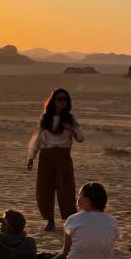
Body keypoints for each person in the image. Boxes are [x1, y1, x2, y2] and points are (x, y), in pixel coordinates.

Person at [27, 88, 84, 231]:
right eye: (59, 99)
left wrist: (70, 128)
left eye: (65, 99)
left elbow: (81, 138)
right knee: (45, 189)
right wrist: (31, 157)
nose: (62, 102)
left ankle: (69, 220)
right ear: (53, 101)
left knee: (66, 189)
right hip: (46, 156)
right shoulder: (45, 118)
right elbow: (37, 138)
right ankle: (50, 220)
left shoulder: (70, 118)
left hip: (63, 156)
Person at [42, 181, 119, 259]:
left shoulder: (74, 219)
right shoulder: (112, 221)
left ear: (87, 201)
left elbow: (66, 251)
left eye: (80, 195)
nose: (77, 198)